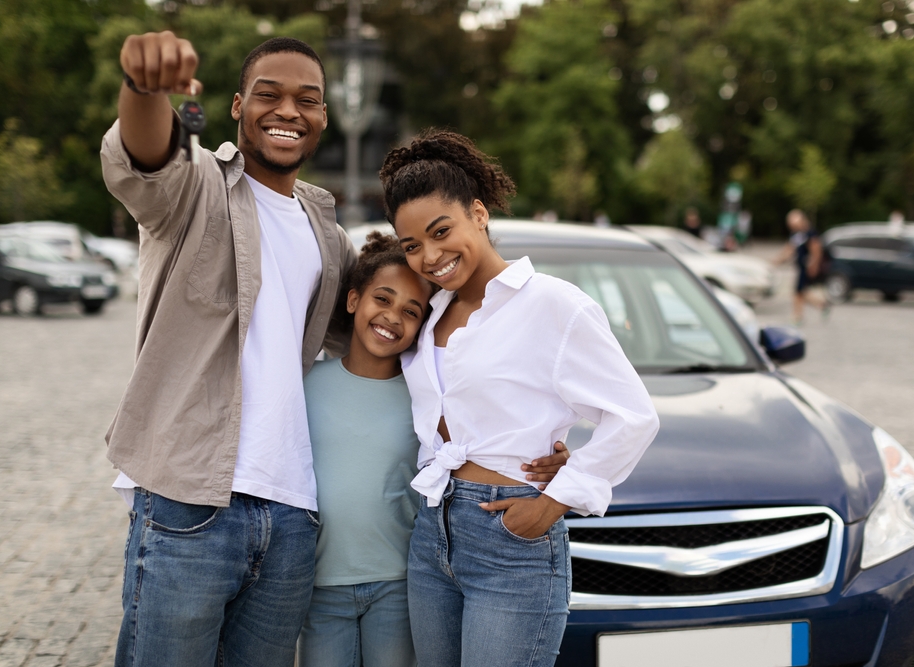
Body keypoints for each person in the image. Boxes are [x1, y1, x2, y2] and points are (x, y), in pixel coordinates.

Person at [100, 31, 357, 667]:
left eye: (309, 99)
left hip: (294, 513)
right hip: (191, 500)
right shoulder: (196, 188)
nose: (289, 111)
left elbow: (392, 334)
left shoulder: (327, 231)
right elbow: (146, 158)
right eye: (269, 95)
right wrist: (145, 87)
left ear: (324, 115)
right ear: (238, 106)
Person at [380, 130, 660, 667]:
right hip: (432, 528)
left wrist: (554, 502)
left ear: (478, 214)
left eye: (442, 231)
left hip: (510, 537)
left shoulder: (553, 305)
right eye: (413, 245)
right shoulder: (432, 311)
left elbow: (632, 417)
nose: (430, 256)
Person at [299, 233, 572, 667]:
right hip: (318, 586)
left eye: (411, 311)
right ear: (353, 300)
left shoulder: (425, 395)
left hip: (402, 583)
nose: (392, 317)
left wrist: (554, 459)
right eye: (382, 299)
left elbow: (490, 433)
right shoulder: (306, 385)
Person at [775, 208, 829, 325]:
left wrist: (814, 265)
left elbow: (816, 249)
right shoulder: (796, 234)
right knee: (801, 292)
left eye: (794, 224)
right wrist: (778, 260)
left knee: (798, 292)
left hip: (807, 266)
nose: (792, 227)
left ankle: (798, 316)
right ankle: (821, 305)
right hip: (800, 266)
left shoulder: (810, 232)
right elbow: (790, 248)